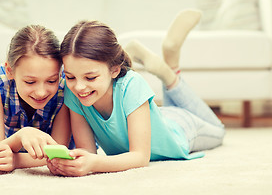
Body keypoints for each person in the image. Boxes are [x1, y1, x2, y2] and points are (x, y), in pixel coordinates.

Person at [47, 10, 225, 176]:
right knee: (164, 113)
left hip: (182, 128)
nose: (79, 87)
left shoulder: (132, 85)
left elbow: (140, 157)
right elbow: (88, 152)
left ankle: (170, 72)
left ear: (114, 70)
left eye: (91, 77)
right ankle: (168, 69)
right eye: (70, 77)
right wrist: (72, 163)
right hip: (154, 117)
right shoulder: (74, 93)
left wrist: (94, 164)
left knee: (218, 130)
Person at [0, 25, 71, 172]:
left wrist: (15, 160)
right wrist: (22, 135)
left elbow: (58, 153)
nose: (41, 92)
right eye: (30, 82)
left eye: (51, 81)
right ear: (10, 70)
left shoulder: (66, 85)